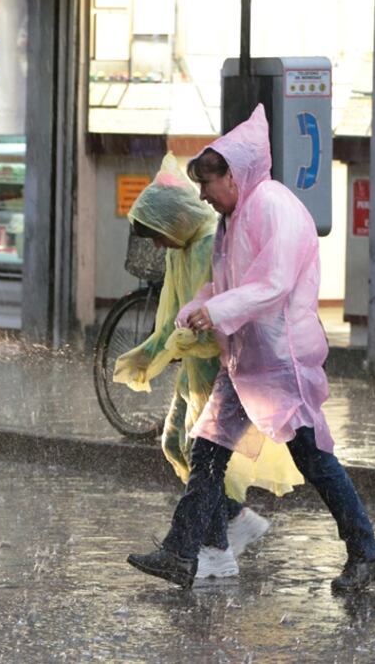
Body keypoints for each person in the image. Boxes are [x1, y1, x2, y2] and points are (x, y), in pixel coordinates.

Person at [126, 105, 375, 593]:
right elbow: (222, 284)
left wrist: (217, 308)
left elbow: (273, 283)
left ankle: (366, 551)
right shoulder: (233, 217)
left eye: (208, 183)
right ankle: (181, 551)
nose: (202, 194)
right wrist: (200, 307)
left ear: (234, 173)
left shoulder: (273, 206)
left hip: (281, 361)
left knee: (314, 461)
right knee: (206, 451)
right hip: (244, 361)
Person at [114, 153, 304, 580]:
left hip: (220, 369)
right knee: (181, 446)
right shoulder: (184, 248)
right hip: (199, 369)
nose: (158, 245)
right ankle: (230, 525)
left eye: (158, 235)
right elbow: (178, 310)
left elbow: (215, 312)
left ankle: (213, 546)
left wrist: (175, 343)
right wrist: (157, 348)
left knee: (202, 453)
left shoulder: (205, 244)